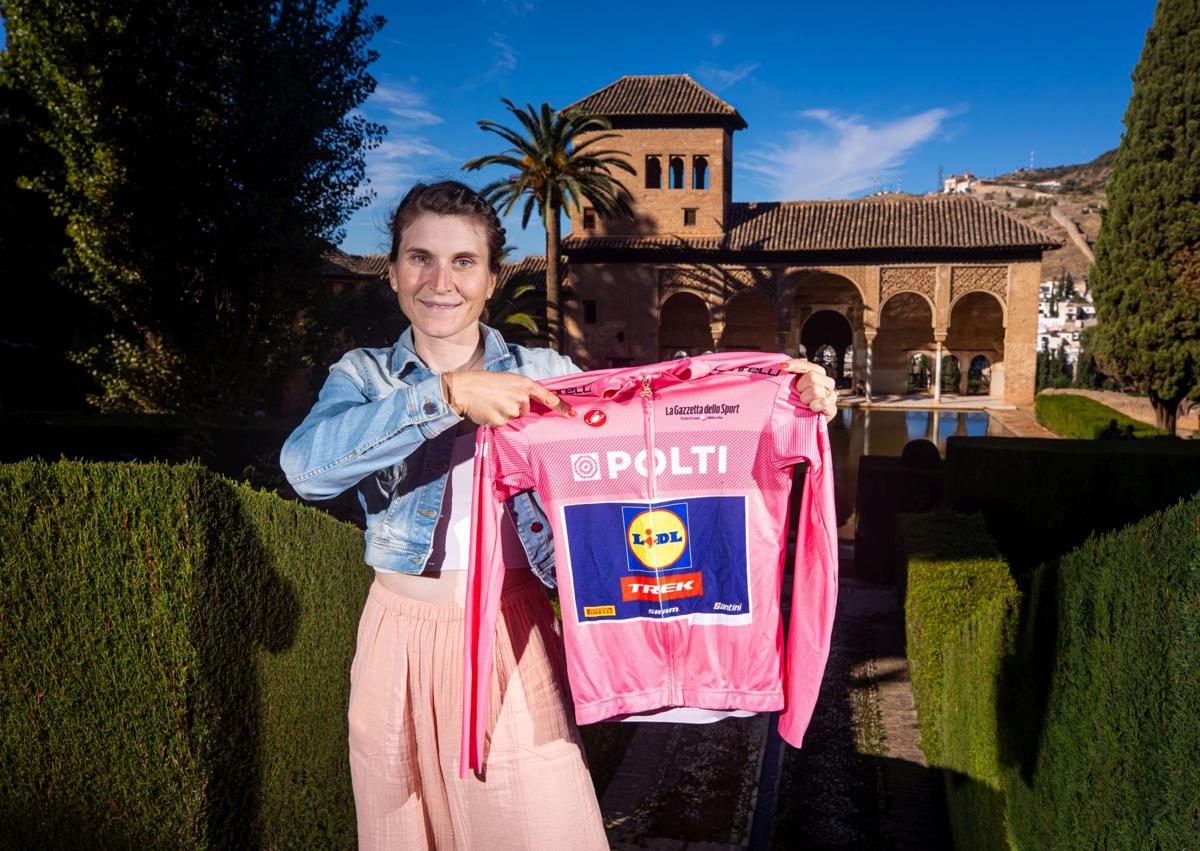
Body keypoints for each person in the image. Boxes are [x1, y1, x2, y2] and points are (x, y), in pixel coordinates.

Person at [279, 180, 839, 850]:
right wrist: (444, 395)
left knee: (549, 822)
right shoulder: (365, 375)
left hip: (512, 632)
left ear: (491, 279)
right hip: (394, 637)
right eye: (419, 257)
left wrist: (778, 397)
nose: (440, 280)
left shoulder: (544, 370)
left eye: (463, 262)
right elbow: (306, 469)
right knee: (405, 824)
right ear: (394, 271)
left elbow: (645, 438)